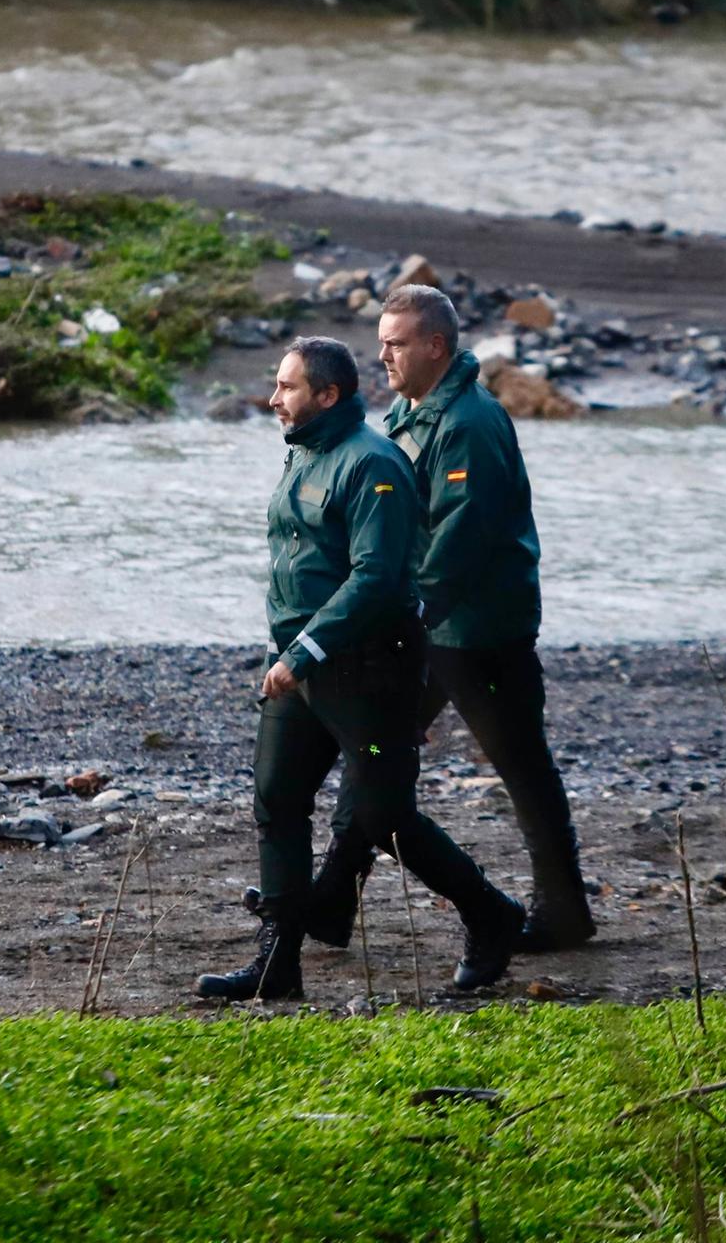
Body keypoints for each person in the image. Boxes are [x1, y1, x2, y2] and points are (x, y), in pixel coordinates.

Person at [195, 335, 524, 1002]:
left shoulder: (373, 465)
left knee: (383, 817)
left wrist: (307, 650)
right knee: (278, 801)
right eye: (276, 385)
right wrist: (288, 653)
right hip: (299, 674)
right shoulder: (303, 457)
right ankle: (276, 966)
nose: (274, 398)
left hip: (371, 683)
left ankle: (492, 914)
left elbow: (375, 578)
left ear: (327, 394)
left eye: (287, 387)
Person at [306, 285, 596, 952]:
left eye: (396, 343)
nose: (382, 355)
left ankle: (564, 912)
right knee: (377, 750)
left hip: (477, 631)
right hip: (430, 628)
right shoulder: (414, 413)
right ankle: (330, 900)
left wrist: (398, 615)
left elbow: (460, 540)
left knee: (520, 764)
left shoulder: (467, 422)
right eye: (380, 342)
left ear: (435, 346)